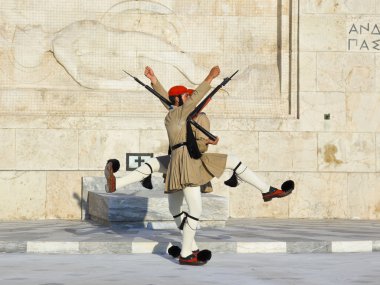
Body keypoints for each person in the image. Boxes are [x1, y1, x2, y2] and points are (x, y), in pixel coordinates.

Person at [105, 66, 294, 266]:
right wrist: (210, 77)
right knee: (194, 209)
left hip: (182, 159)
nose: (189, 97)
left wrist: (154, 80)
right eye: (185, 96)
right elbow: (190, 101)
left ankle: (267, 191)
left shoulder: (175, 115)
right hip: (187, 161)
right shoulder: (181, 114)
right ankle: (187, 253)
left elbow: (168, 99)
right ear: (179, 100)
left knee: (227, 162)